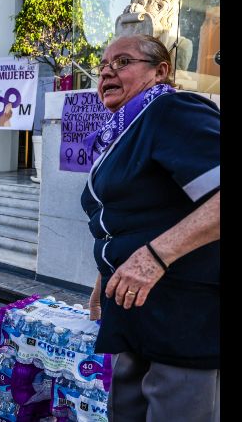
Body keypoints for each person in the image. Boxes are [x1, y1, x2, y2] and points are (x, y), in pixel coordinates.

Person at [81, 34, 219, 420]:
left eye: (122, 62)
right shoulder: (123, 131)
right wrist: (104, 277)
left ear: (160, 71)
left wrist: (156, 256)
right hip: (131, 308)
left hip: (180, 312)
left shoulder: (170, 109)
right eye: (103, 65)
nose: (107, 71)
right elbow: (131, 217)